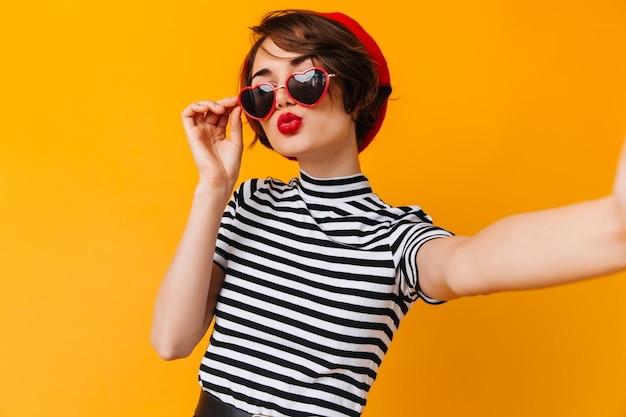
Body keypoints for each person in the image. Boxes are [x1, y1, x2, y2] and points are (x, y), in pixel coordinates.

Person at [150, 9, 626, 417]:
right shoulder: (251, 203)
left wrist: (613, 225)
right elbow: (171, 342)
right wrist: (213, 189)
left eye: (305, 78)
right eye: (262, 91)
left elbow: (475, 259)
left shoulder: (395, 239)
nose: (283, 100)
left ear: (356, 94)